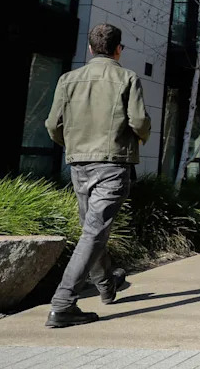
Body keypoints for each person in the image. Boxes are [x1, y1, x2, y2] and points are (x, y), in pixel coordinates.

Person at [44, 23, 151, 328]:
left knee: (92, 230)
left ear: (90, 48)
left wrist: (75, 145)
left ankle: (106, 286)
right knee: (93, 233)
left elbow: (53, 125)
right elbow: (140, 121)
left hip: (79, 164)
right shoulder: (127, 77)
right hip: (113, 164)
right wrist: (141, 137)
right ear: (119, 50)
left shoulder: (68, 79)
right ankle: (63, 304)